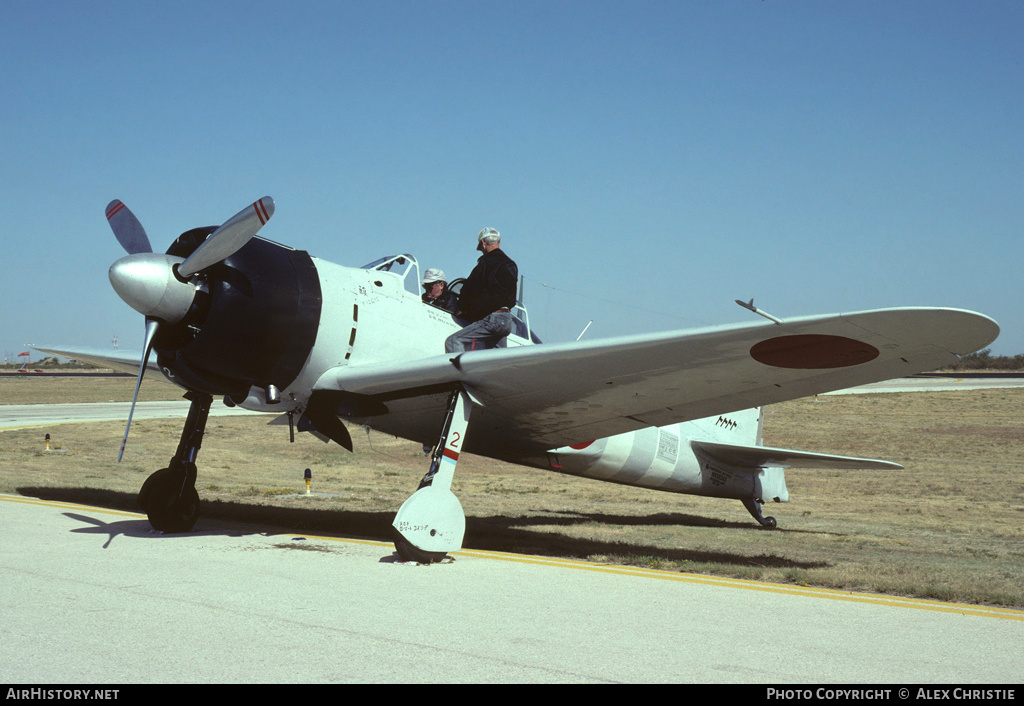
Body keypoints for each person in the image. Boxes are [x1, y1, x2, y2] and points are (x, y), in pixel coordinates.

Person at [445, 228, 518, 353]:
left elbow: (470, 288)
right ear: (499, 243)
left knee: (453, 341)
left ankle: (460, 373)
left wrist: (461, 308)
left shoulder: (485, 263)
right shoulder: (511, 264)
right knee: (495, 359)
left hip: (493, 320)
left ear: (483, 243)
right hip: (506, 321)